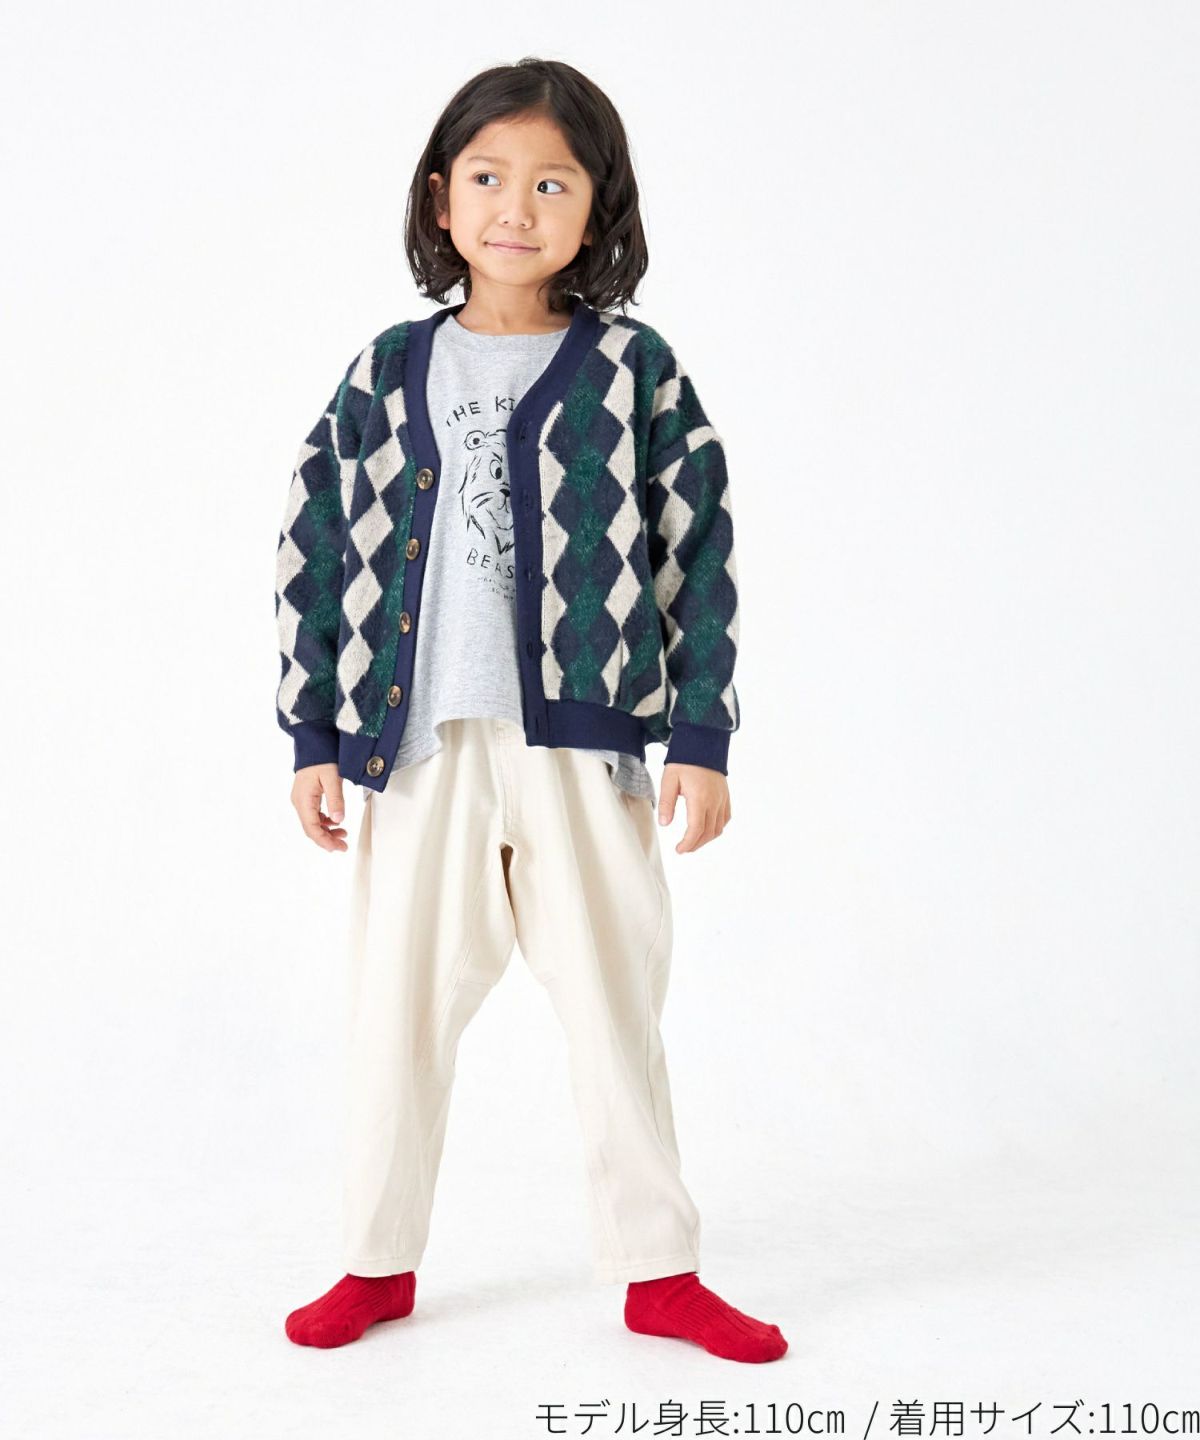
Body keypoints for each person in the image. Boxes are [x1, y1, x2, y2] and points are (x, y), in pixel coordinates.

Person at [274, 56, 786, 1364]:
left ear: (599, 204)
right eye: (489, 177)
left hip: (586, 749)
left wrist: (703, 736)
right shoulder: (387, 372)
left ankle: (658, 1271)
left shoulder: (633, 370)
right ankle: (376, 1259)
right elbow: (316, 545)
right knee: (395, 1017)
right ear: (439, 198)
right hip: (418, 753)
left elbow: (697, 550)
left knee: (616, 1009)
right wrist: (314, 734)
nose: (517, 207)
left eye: (553, 182)